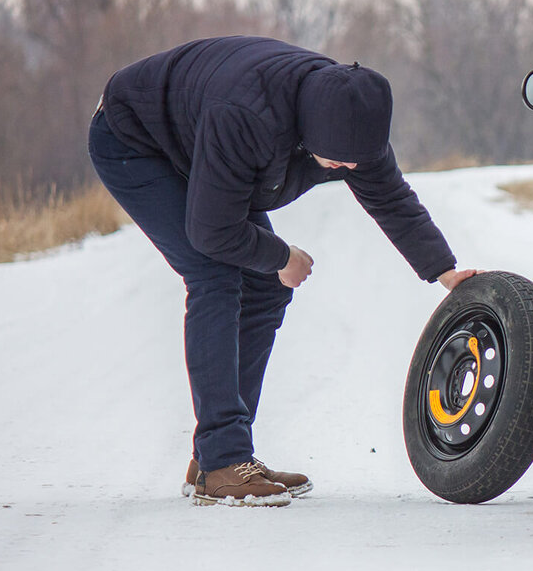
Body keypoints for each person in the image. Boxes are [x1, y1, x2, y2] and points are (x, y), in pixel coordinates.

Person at [88, 36, 476, 507]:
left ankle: (221, 458)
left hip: (198, 140)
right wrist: (281, 256)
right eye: (339, 159)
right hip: (135, 138)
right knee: (213, 272)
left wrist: (445, 271)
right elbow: (212, 232)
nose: (348, 167)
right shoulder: (249, 115)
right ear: (309, 130)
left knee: (265, 290)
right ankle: (224, 461)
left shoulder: (352, 118)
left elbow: (391, 198)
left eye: (356, 159)